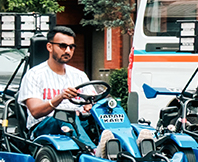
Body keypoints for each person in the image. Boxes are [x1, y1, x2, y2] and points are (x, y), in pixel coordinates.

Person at [18, 25, 152, 153]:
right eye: (63, 46)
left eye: (71, 47)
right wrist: (60, 97)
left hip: (78, 122)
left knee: (108, 114)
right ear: (49, 47)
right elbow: (35, 111)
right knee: (65, 116)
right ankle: (94, 151)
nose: (67, 51)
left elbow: (92, 101)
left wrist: (90, 106)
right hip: (44, 127)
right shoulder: (34, 75)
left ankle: (131, 146)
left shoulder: (79, 75)